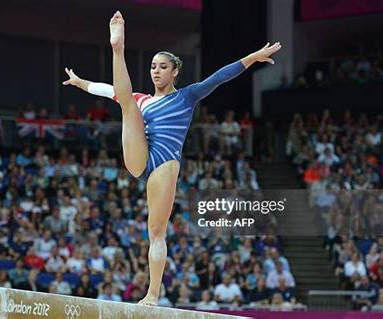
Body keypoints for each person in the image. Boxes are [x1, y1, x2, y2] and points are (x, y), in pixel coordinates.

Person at [62, 11, 281, 305]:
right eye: (153, 66)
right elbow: (107, 90)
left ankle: (153, 293)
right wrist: (80, 83)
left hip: (164, 162)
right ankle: (118, 48)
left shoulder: (186, 97)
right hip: (139, 152)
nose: (156, 71)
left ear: (174, 71)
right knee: (127, 103)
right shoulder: (143, 99)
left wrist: (252, 57)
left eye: (162, 67)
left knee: (156, 231)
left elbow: (219, 77)